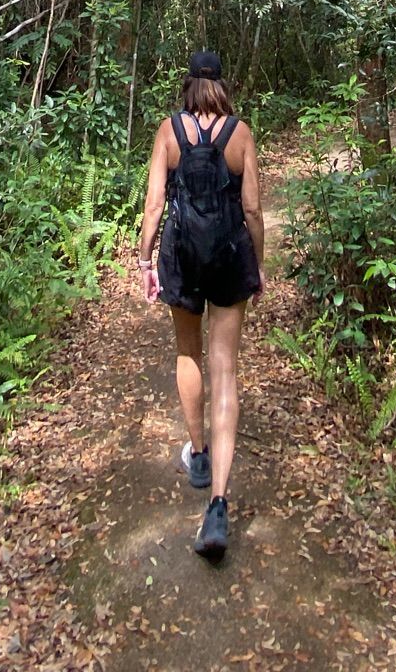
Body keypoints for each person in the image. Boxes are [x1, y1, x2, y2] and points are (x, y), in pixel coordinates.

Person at [136, 49, 266, 559]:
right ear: (221, 86)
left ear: (188, 85)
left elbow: (154, 204)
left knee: (187, 352)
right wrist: (258, 265)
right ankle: (218, 503)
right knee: (225, 370)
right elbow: (252, 208)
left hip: (182, 255)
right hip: (230, 254)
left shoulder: (169, 132)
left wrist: (144, 259)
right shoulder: (240, 133)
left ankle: (199, 454)